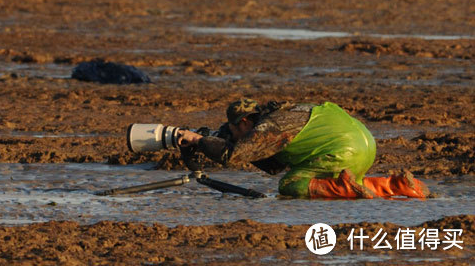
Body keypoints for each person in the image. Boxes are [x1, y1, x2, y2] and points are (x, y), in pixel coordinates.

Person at [177, 99, 430, 199]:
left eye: (232, 131)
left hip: (342, 150)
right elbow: (273, 164)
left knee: (290, 185)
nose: (232, 136)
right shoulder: (280, 116)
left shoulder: (268, 128)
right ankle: (395, 185)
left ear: (244, 123)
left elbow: (231, 156)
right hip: (365, 143)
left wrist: (198, 140)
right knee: (341, 177)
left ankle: (342, 187)